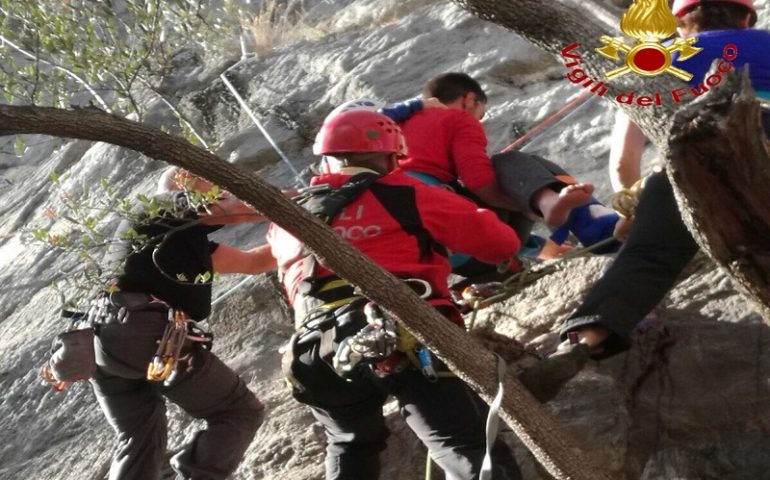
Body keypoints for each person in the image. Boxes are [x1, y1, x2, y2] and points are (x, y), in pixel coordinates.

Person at [244, 109, 524, 479]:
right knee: (461, 444)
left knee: (349, 444)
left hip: (314, 350)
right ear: (392, 157)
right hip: (402, 333)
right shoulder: (405, 193)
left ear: (325, 157)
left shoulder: (284, 218)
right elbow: (500, 243)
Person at [533, 0, 770, 388]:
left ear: (680, 21)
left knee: (648, 255)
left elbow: (624, 163)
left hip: (693, 157)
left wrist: (638, 208)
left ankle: (582, 340)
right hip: (763, 147)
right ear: (746, 18)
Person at [50, 168, 269, 480]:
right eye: (215, 186)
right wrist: (301, 206)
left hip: (103, 347)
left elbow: (255, 262)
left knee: (139, 442)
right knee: (239, 411)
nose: (223, 193)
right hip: (143, 336)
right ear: (184, 181)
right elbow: (231, 212)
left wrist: (311, 239)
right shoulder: (161, 207)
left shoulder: (178, 241)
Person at [396, 72, 621, 260]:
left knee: (509, 186)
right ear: (469, 100)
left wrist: (543, 248)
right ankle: (574, 213)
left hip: (440, 251)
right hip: (460, 236)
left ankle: (555, 216)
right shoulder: (458, 119)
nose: (478, 122)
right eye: (480, 115)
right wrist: (526, 206)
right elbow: (478, 181)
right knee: (506, 161)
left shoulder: (400, 127)